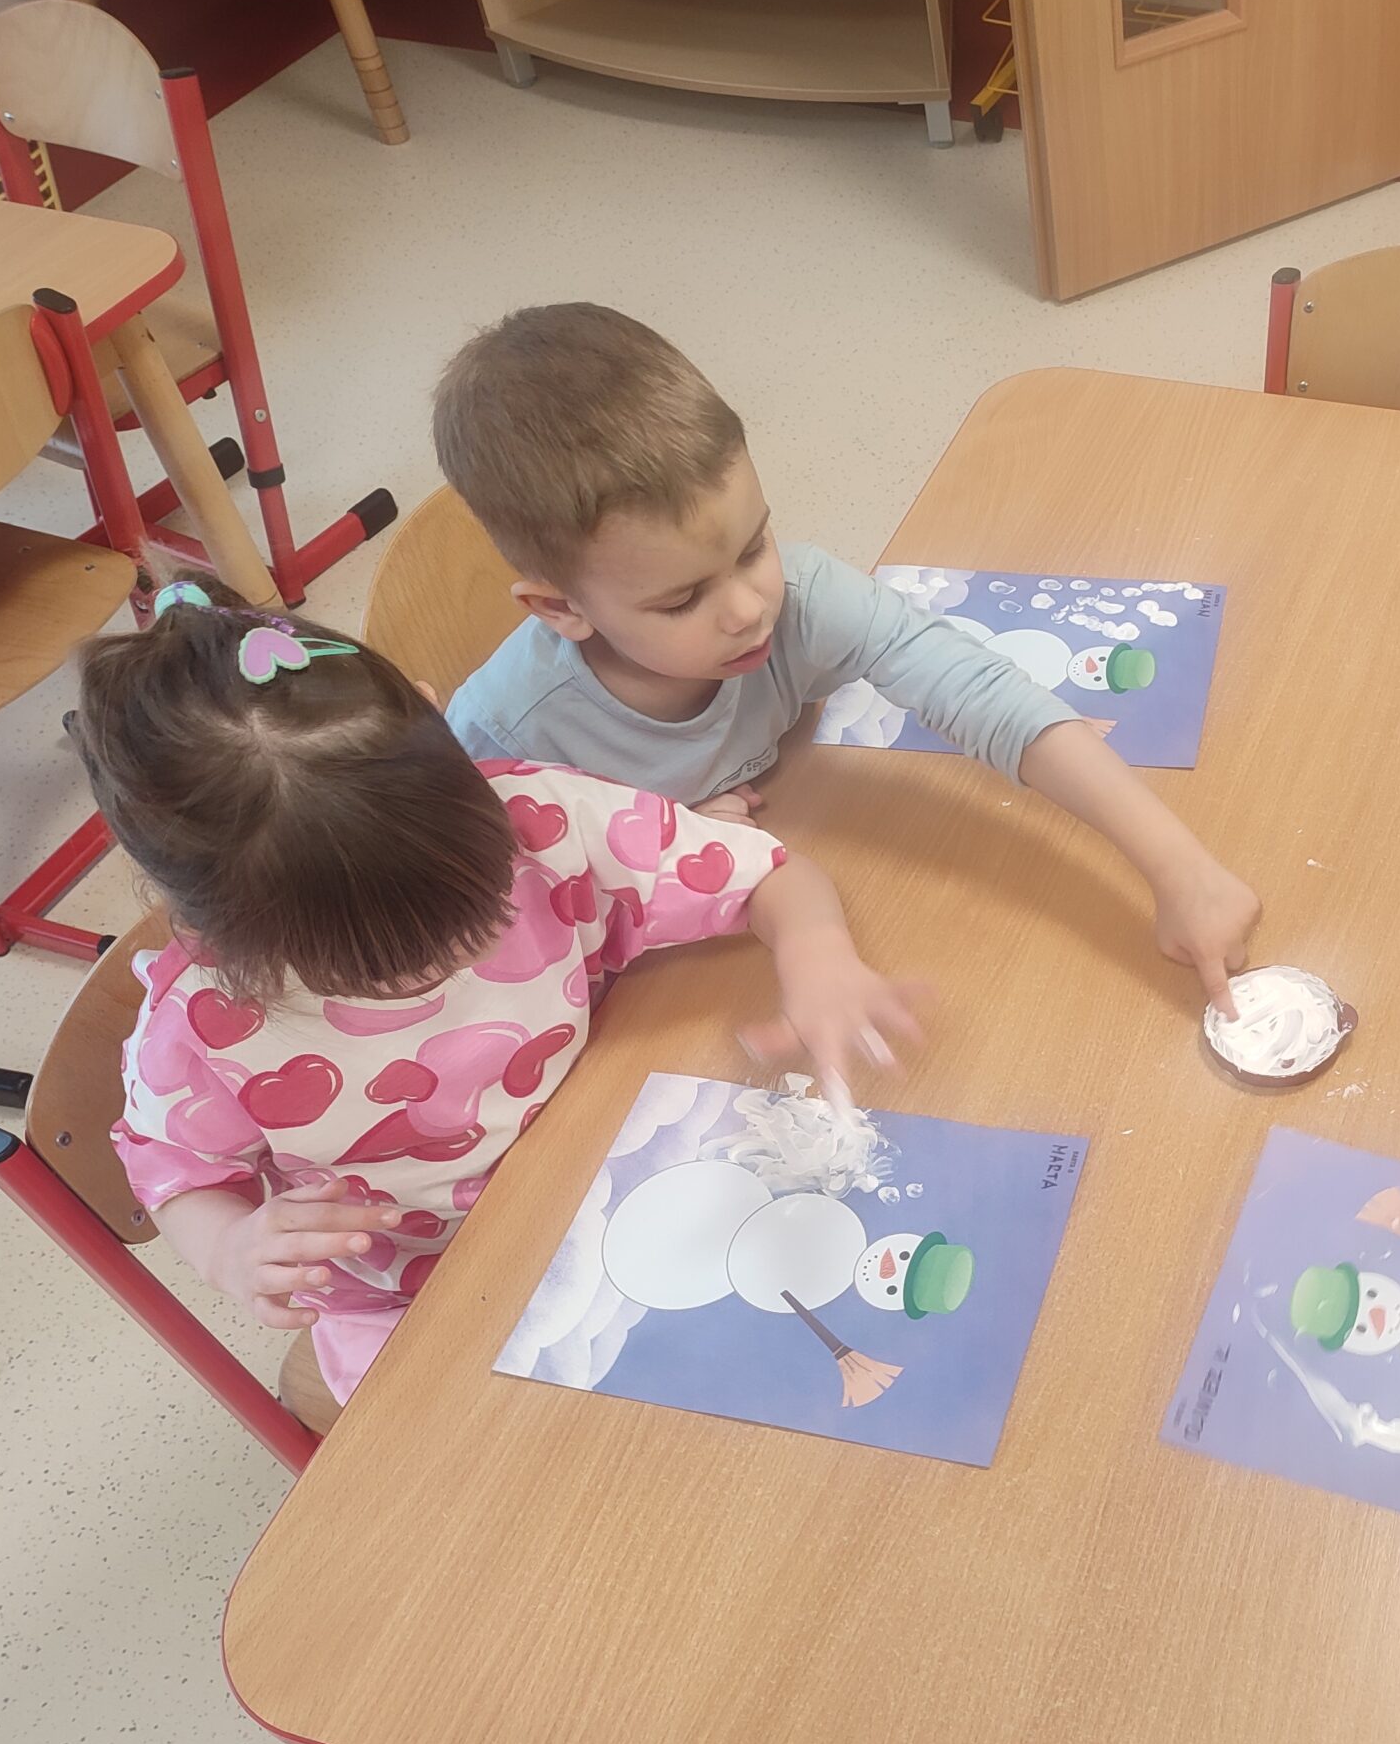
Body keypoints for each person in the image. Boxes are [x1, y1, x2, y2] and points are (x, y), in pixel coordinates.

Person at [82, 582, 925, 1428]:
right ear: (207, 928)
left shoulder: (545, 816)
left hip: (607, 1164)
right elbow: (174, 1171)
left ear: (440, 723)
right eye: (372, 969)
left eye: (476, 910)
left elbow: (772, 876)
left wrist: (817, 957)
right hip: (413, 1300)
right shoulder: (201, 1031)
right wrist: (228, 1246)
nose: (440, 968)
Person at [432, 302, 1260, 1013]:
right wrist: (657, 849)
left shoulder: (804, 596)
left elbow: (983, 694)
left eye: (754, 545)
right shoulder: (502, 742)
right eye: (682, 600)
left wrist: (1178, 867)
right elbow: (499, 947)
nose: (750, 608)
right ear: (561, 609)